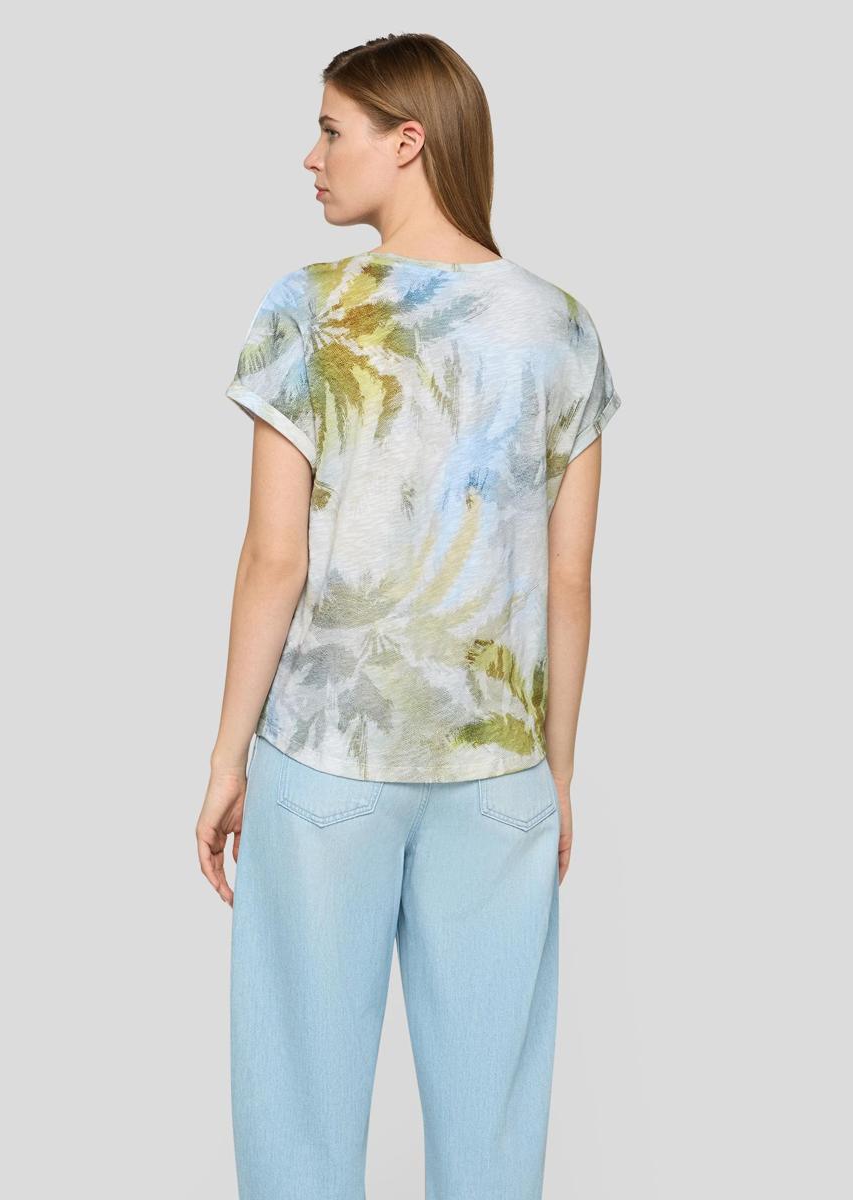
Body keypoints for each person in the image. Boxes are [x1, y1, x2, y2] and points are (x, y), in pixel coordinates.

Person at [196, 31, 622, 1200]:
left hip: (324, 762)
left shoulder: (309, 309)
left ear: (407, 141)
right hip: (497, 773)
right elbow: (570, 581)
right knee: (491, 1133)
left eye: (330, 130)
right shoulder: (562, 326)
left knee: (299, 1117)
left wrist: (227, 757)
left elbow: (272, 559)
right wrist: (554, 772)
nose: (310, 157)